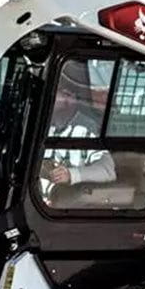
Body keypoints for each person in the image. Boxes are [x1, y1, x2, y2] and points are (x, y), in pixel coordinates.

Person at [42, 63, 116, 192]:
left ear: (69, 97)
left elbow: (108, 170)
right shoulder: (42, 125)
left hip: (61, 204)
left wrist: (71, 174)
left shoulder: (85, 129)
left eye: (53, 92)